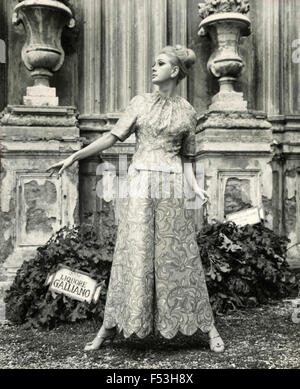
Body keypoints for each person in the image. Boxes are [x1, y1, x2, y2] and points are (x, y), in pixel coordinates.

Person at [48, 44, 225, 353]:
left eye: (160, 63)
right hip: (141, 184)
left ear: (174, 71)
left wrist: (195, 188)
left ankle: (207, 328)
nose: (153, 67)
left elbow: (187, 158)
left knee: (178, 254)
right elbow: (111, 137)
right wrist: (76, 156)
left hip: (172, 187)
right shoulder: (139, 103)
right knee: (135, 253)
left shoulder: (187, 110)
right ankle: (109, 326)